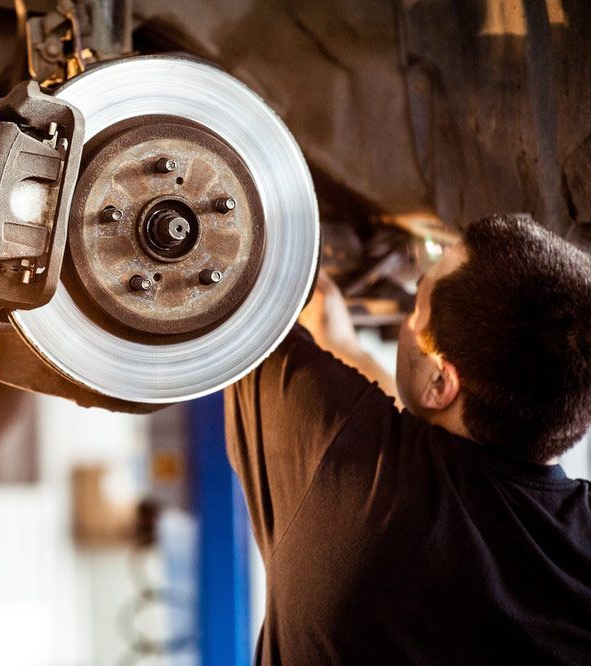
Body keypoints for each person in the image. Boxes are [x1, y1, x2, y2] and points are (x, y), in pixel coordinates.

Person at [225, 214, 591, 664]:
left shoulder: (345, 474)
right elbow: (414, 443)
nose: (408, 316)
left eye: (417, 304)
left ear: (441, 384)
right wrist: (344, 346)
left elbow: (230, 286)